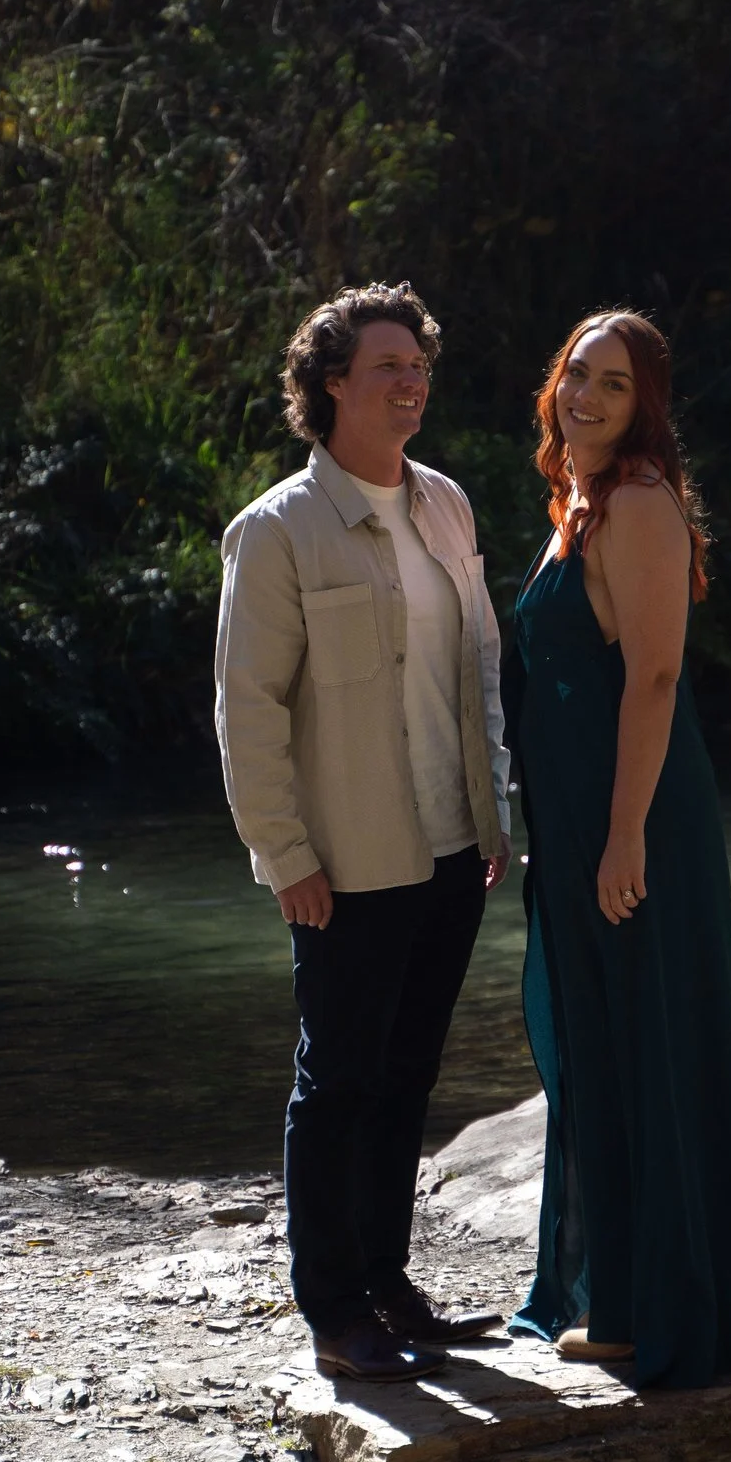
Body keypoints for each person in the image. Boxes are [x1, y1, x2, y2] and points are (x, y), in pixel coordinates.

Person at [215, 282, 514, 1383]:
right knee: (336, 1080)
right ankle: (334, 1312)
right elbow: (244, 709)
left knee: (406, 1076)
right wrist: (284, 854)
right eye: (387, 365)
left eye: (419, 365)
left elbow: (477, 667)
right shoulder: (276, 529)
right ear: (330, 383)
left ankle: (390, 1285)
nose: (410, 383)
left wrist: (496, 807)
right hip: (345, 857)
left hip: (451, 844)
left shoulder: (446, 504)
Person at [506, 311, 731, 1389]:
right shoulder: (578, 500)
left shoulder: (644, 504)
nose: (587, 396)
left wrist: (622, 834)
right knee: (599, 1036)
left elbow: (654, 679)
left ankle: (654, 1304)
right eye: (576, 372)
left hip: (638, 818)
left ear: (644, 405)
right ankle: (609, 1293)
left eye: (614, 385)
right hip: (576, 815)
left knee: (645, 1035)